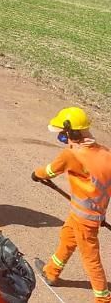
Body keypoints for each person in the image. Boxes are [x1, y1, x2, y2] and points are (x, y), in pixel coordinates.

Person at [32, 107, 111, 303]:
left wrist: (36, 174)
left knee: (91, 259)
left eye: (62, 133)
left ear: (70, 133)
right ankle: (51, 271)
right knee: (67, 238)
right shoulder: (104, 152)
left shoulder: (72, 155)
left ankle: (103, 298)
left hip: (84, 217)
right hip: (92, 213)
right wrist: (99, 213)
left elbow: (48, 171)